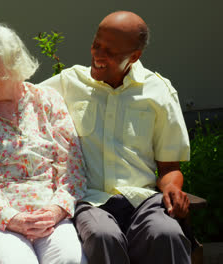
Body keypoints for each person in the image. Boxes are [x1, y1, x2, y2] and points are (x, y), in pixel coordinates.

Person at [40, 11, 191, 264]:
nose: (98, 55)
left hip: (143, 200)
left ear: (134, 56)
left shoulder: (158, 91)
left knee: (167, 233)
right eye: (96, 45)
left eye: (110, 52)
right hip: (91, 200)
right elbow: (15, 100)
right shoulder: (69, 82)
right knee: (102, 235)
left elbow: (169, 167)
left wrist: (172, 188)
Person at [0, 23, 88, 264]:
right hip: (0, 218)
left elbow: (71, 168)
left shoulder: (47, 100)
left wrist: (55, 211)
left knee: (70, 259)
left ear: (13, 63)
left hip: (50, 213)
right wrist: (12, 218)